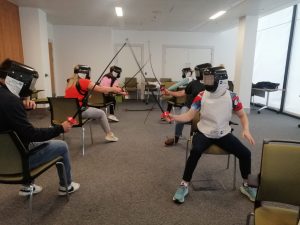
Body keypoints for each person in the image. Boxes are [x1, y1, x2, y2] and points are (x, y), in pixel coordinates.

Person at [165, 66, 256, 203]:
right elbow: (189, 116)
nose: (206, 82)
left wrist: (246, 129)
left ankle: (246, 185)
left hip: (223, 134)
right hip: (204, 133)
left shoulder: (232, 97)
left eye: (210, 79)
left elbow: (242, 116)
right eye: (206, 78)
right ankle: (184, 185)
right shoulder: (201, 96)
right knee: (195, 151)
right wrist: (174, 117)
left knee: (245, 153)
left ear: (220, 81)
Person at [0, 59, 80, 196]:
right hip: (18, 161)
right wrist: (60, 128)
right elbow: (31, 134)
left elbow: (7, 119)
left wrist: (22, 107)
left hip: (4, 159)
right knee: (61, 146)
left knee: (19, 141)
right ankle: (66, 186)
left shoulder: (8, 98)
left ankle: (27, 187)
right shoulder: (12, 101)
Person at [65, 65, 126, 142]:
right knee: (102, 113)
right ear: (85, 73)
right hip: (79, 113)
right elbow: (101, 89)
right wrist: (114, 89)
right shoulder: (84, 82)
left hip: (67, 113)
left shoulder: (70, 81)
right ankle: (109, 134)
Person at [163, 63, 211, 146]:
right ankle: (176, 138)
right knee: (180, 119)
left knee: (202, 122)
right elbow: (182, 93)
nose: (196, 74)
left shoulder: (211, 85)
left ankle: (199, 139)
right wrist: (169, 92)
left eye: (198, 72)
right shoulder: (193, 83)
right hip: (189, 106)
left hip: (203, 109)